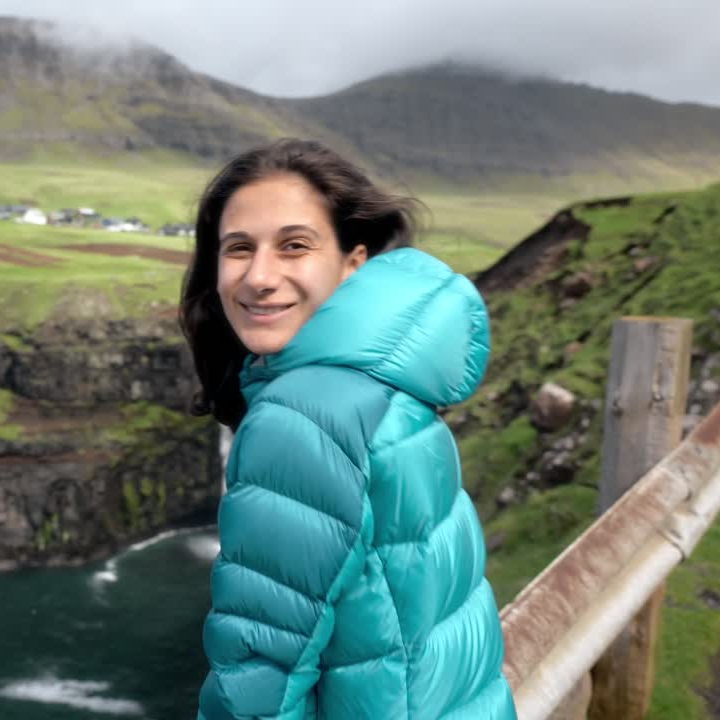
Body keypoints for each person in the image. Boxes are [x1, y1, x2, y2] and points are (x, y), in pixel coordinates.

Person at [180, 138, 515, 719]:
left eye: (294, 246)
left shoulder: (302, 420)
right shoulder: (390, 391)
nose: (260, 276)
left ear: (353, 262)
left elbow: (260, 689)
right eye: (238, 248)